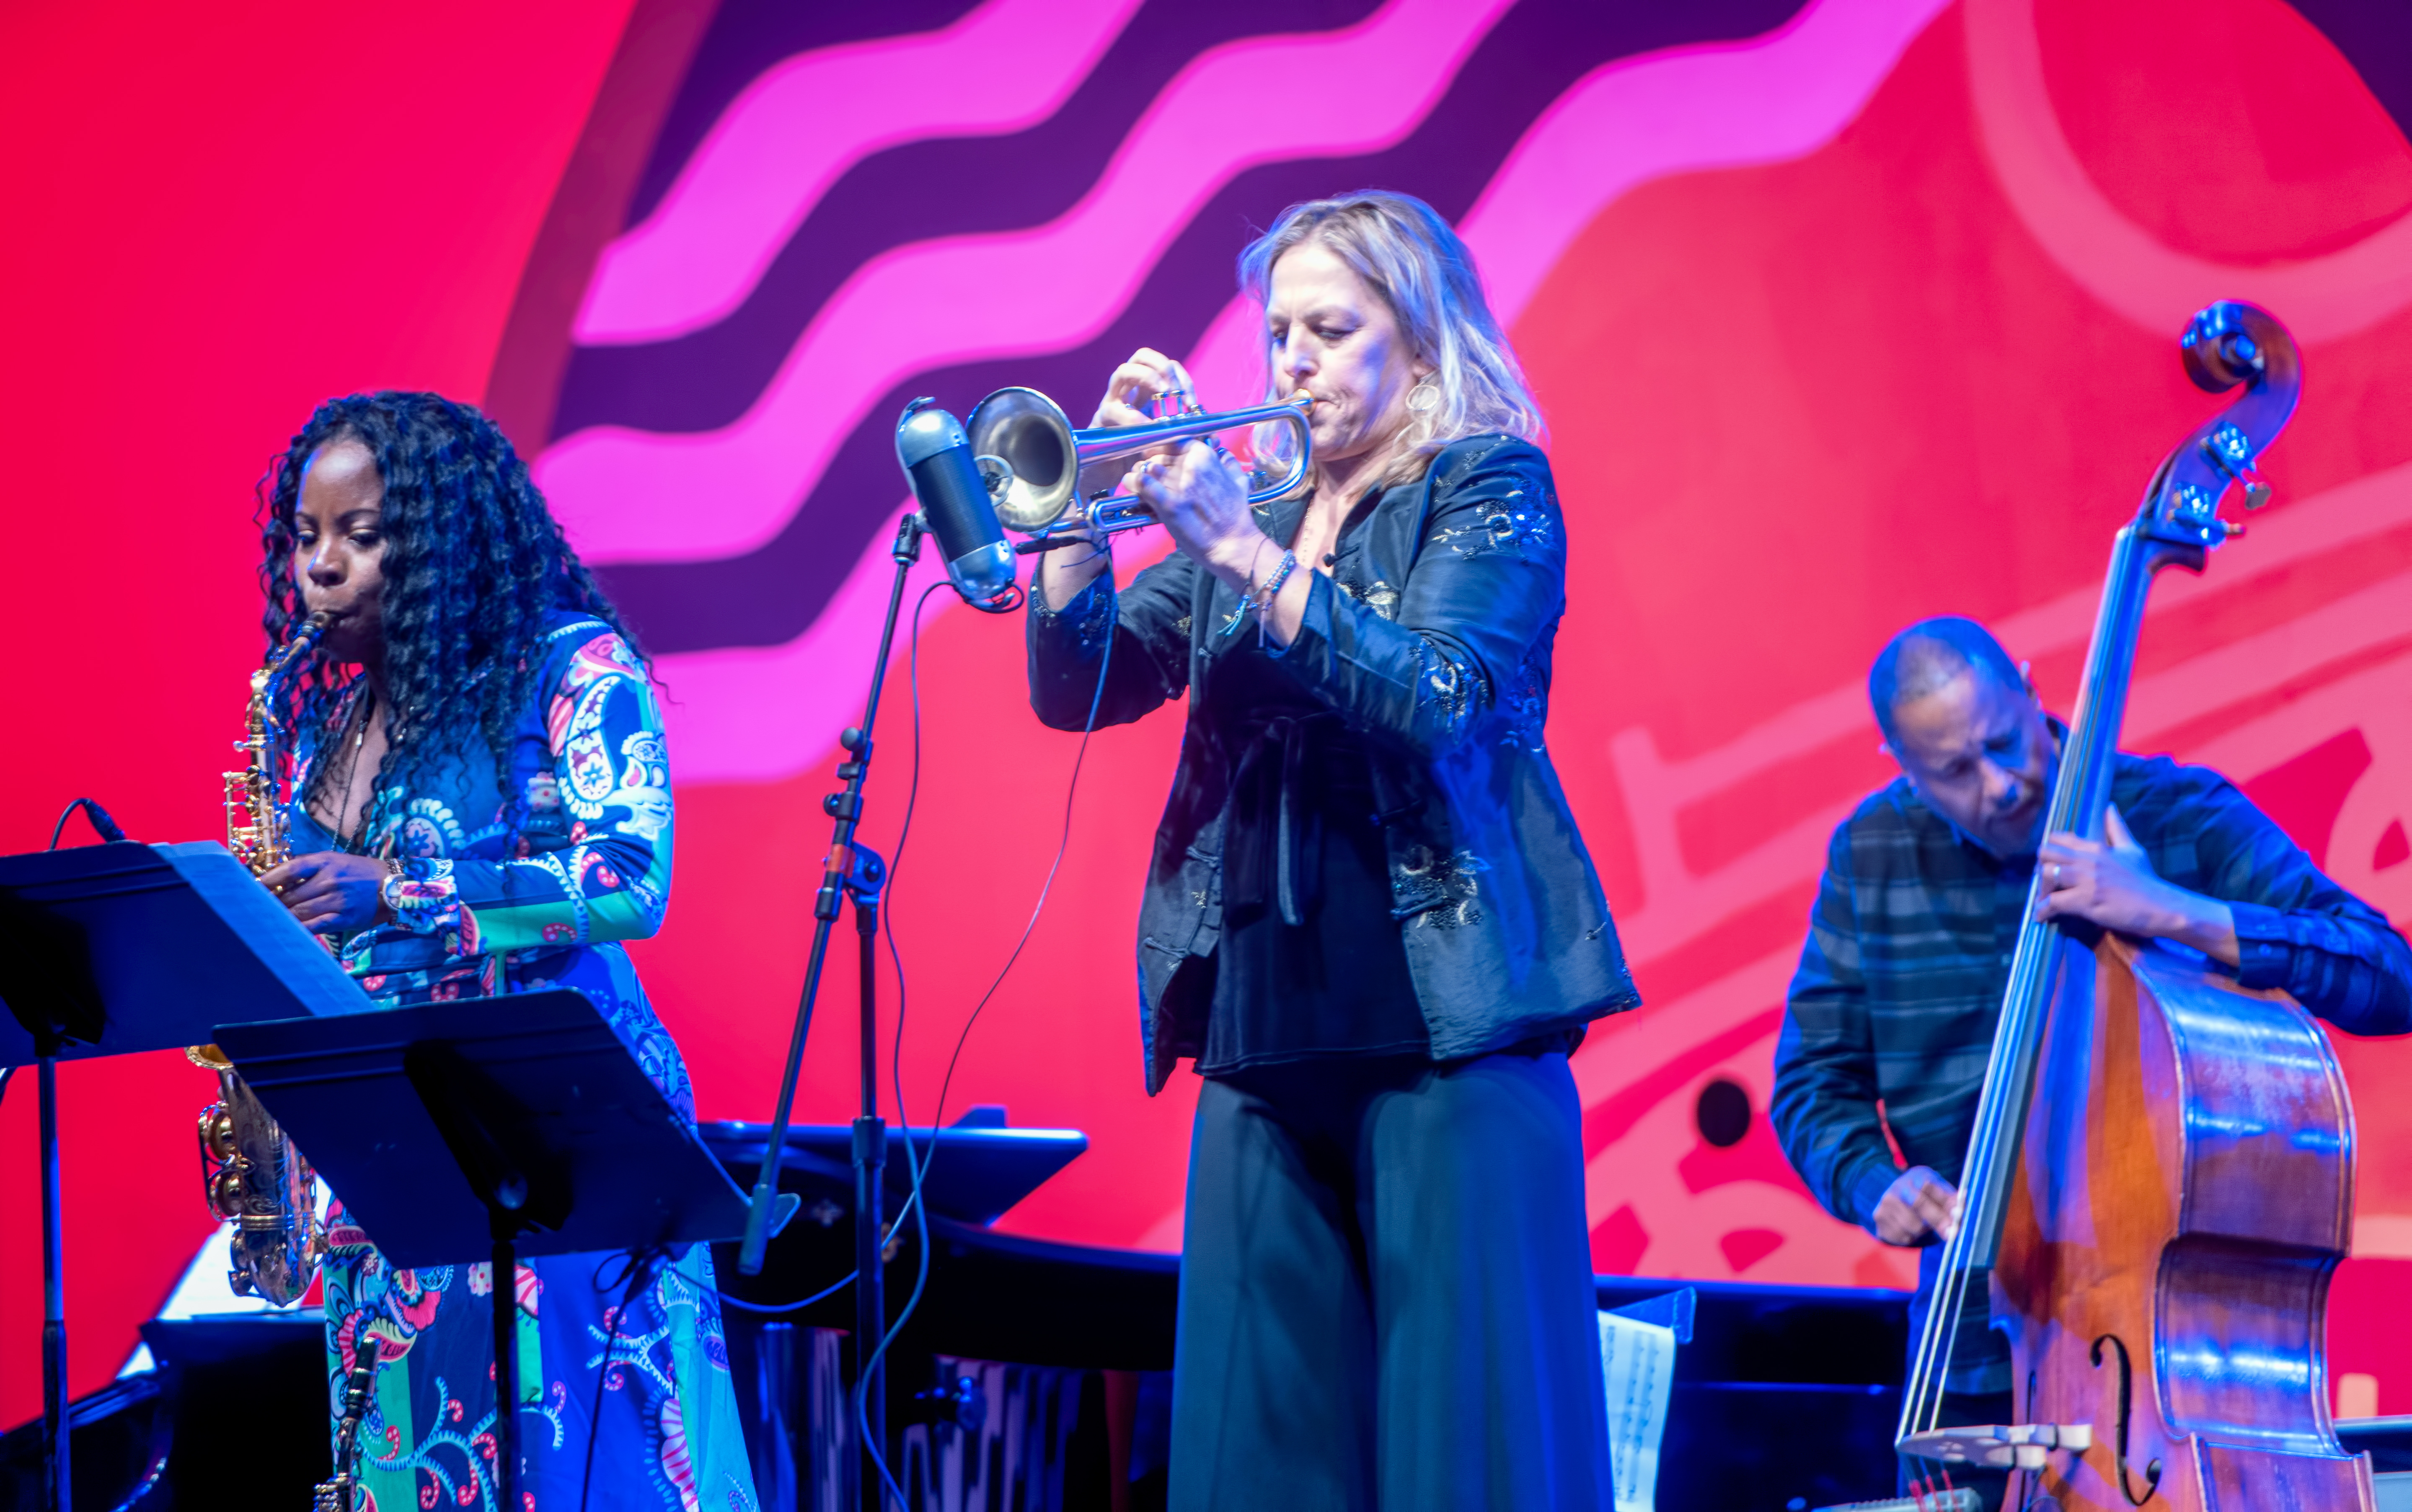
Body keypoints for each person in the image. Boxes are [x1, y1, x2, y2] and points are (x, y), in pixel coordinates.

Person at [1025, 190, 1637, 1509]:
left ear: (1417, 345)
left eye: (1328, 329)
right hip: (1259, 1041)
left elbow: (1441, 697)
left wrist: (1243, 546)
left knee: (1463, 1465)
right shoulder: (1265, 504)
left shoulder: (1484, 480)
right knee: (1257, 1469)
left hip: (1445, 1048)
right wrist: (1076, 515)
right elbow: (1080, 686)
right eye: (1278, 331)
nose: (1290, 360)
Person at [1770, 615, 2412, 1505]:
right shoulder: (1871, 854)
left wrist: (2170, 909)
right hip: (1970, 1361)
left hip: (2170, 1374)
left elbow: (2386, 973)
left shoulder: (2176, 814)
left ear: (2032, 692)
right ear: (1901, 768)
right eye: (1953, 771)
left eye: (2003, 741)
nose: (1997, 785)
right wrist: (1870, 1179)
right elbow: (1812, 1084)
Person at [251, 392, 755, 1511]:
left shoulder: (571, 669)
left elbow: (629, 882)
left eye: (361, 535)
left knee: (595, 1473)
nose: (320, 568)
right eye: (304, 535)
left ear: (439, 543)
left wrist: (398, 886)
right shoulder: (318, 726)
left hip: (554, 1154)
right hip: (394, 1167)